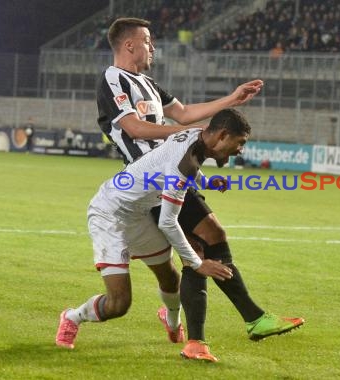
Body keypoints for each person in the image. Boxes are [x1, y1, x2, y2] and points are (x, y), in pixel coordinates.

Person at [91, 17, 303, 361]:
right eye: (147, 40)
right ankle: (226, 329)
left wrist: (231, 99)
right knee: (200, 247)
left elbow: (185, 113)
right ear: (129, 44)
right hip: (156, 179)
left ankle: (238, 323)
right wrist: (187, 135)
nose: (152, 47)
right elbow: (134, 128)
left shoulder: (148, 83)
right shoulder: (113, 78)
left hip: (175, 171)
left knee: (208, 240)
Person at [55, 109, 247, 354]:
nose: (240, 150)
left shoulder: (195, 136)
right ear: (222, 135)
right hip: (109, 215)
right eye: (239, 142)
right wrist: (198, 263)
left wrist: (206, 182)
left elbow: (183, 162)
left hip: (138, 215)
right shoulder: (183, 162)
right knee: (119, 304)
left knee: (170, 279)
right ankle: (72, 317)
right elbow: (168, 222)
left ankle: (171, 321)